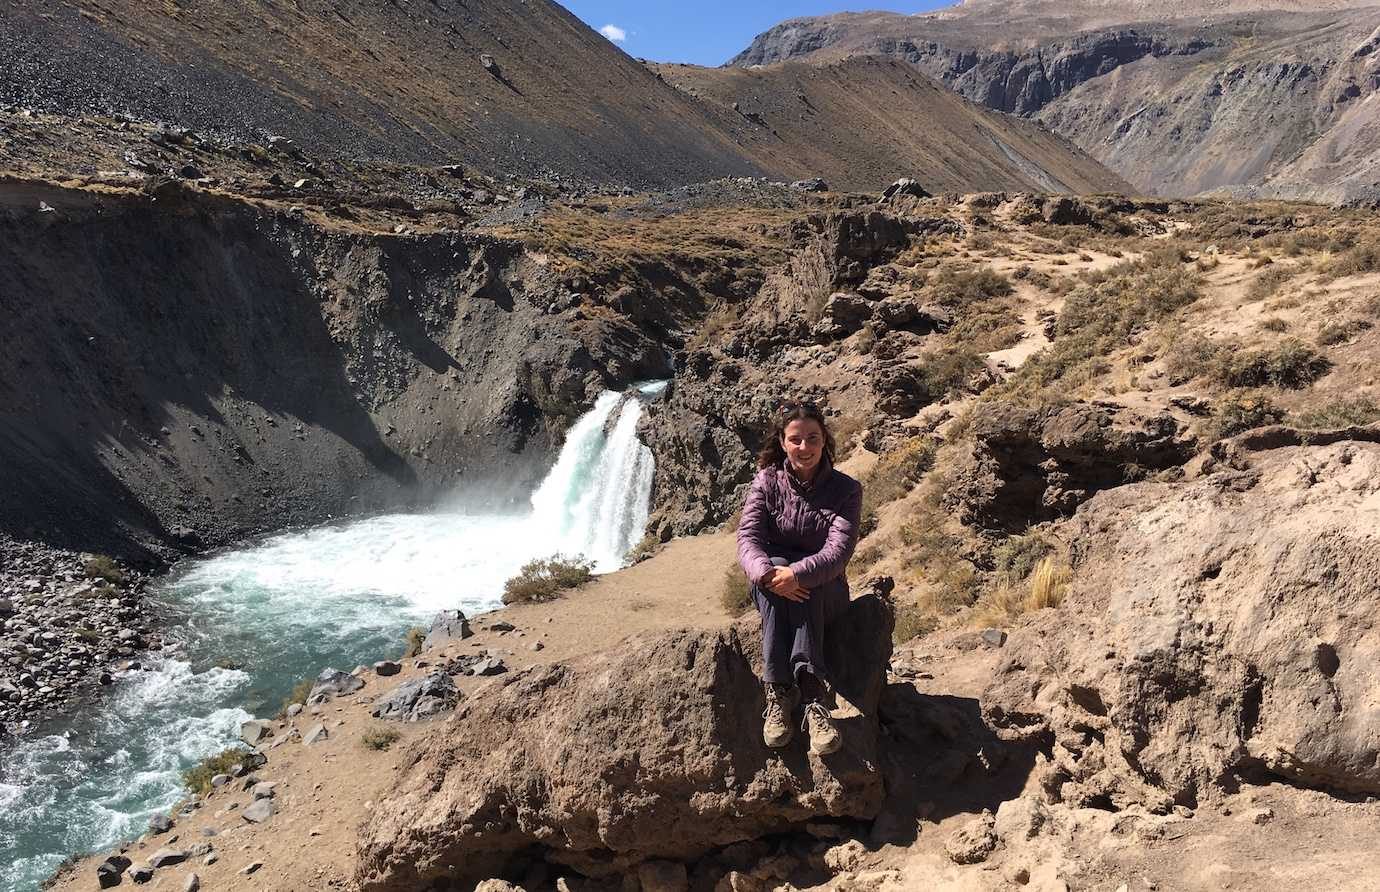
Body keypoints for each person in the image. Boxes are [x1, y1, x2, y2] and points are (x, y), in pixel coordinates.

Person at [735, 401, 862, 755]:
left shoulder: (846, 490)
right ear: (782, 441)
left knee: (809, 588)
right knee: (778, 581)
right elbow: (748, 538)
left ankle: (810, 696)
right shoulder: (766, 481)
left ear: (824, 442)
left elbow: (838, 552)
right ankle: (781, 692)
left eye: (813, 439)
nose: (804, 448)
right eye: (796, 440)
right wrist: (767, 573)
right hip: (772, 579)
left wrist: (798, 574)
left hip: (826, 585)